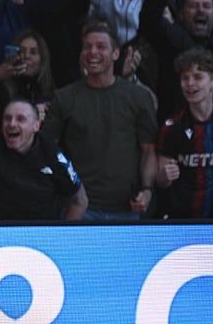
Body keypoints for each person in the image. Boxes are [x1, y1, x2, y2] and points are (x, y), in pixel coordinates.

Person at [41, 21, 158, 220]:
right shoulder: (65, 97)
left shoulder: (138, 97)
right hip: (79, 209)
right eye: (87, 46)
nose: (92, 52)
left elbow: (148, 150)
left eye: (101, 46)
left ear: (115, 54)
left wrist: (147, 190)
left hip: (127, 209)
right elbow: (47, 148)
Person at [0, 100, 89, 221]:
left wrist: (61, 236)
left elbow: (80, 202)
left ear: (37, 125)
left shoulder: (52, 153)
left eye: (20, 119)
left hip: (39, 233)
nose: (12, 124)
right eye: (7, 118)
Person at [156, 47, 213, 219]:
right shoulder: (172, 128)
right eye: (185, 78)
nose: (190, 84)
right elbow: (160, 180)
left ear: (212, 81)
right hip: (183, 222)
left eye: (197, 77)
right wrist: (165, 176)